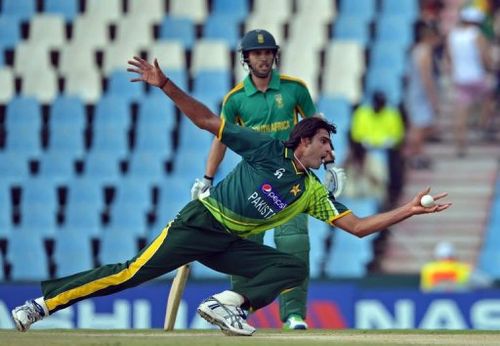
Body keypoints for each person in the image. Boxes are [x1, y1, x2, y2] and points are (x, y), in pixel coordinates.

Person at [11, 56, 452, 337]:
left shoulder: (309, 192)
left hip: (229, 244)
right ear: (303, 142)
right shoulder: (266, 150)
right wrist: (165, 85)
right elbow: (206, 122)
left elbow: (356, 228)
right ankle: (41, 304)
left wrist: (409, 210)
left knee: (292, 265)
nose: (330, 153)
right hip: (199, 223)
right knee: (129, 274)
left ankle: (225, 305)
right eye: (325, 144)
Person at [190, 29, 346, 330]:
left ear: (275, 55)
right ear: (246, 58)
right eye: (256, 53)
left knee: (295, 245)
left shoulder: (294, 89)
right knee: (243, 248)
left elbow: (317, 129)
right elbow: (221, 138)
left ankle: (294, 315)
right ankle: (237, 311)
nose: (262, 58)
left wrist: (328, 165)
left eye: (267, 52)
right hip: (253, 185)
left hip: (292, 183)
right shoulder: (235, 99)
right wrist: (208, 178)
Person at [445, 6, 495, 157]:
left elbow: (450, 58)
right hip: (476, 76)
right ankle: (483, 125)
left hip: (460, 78)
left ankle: (460, 145)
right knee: (490, 96)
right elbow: (484, 57)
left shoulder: (453, 35)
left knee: (461, 112)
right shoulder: (477, 35)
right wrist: (491, 67)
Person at [350, 90, 406, 206]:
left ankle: (390, 195)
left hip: (386, 151)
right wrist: (366, 141)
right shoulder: (362, 113)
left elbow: (397, 135)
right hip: (367, 150)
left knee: (395, 165)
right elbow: (356, 134)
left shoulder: (392, 113)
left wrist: (387, 142)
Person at [404, 22, 442, 170]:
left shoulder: (415, 50)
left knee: (417, 125)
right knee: (418, 127)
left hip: (413, 91)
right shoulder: (425, 51)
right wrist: (433, 97)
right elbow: (427, 77)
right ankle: (414, 155)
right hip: (420, 93)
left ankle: (416, 154)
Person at [420, 241, 492, 292]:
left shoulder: (428, 268)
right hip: (459, 299)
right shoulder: (461, 268)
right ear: (454, 255)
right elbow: (486, 282)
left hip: (433, 299)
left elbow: (424, 289)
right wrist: (473, 270)